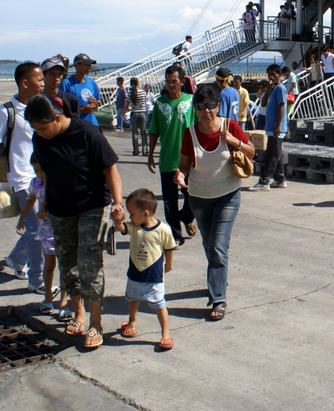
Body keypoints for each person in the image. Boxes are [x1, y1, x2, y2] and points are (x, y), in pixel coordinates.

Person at [25, 94, 123, 349]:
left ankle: (96, 322)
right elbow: (46, 175)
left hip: (91, 206)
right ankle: (78, 312)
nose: (40, 134)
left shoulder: (87, 132)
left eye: (44, 128)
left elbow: (110, 169)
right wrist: (44, 205)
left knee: (89, 264)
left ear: (57, 118)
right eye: (35, 129)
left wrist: (118, 202)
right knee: (68, 265)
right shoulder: (40, 139)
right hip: (59, 210)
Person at [175, 85, 255, 321]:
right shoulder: (189, 133)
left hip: (228, 195)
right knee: (209, 244)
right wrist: (180, 174)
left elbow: (251, 151)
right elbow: (184, 164)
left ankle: (218, 298)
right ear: (195, 109)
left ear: (217, 106)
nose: (207, 111)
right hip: (198, 197)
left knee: (218, 246)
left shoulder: (230, 126)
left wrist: (234, 141)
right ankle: (217, 278)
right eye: (201, 107)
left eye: (211, 105)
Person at [0, 62, 46, 294]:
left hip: (42, 177)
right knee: (37, 230)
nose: (43, 83)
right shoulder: (7, 110)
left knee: (39, 226)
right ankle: (37, 281)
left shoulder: (41, 106)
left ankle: (17, 260)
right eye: (39, 80)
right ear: (25, 83)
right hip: (21, 177)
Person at [111, 188, 175, 349]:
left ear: (145, 213)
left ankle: (165, 333)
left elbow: (169, 248)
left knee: (160, 305)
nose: (130, 217)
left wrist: (169, 263)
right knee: (132, 299)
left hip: (153, 277)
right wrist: (118, 221)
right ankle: (132, 322)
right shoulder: (135, 227)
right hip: (135, 274)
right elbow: (122, 228)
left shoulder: (163, 230)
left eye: (132, 213)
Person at [147, 65, 198, 247]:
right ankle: (176, 236)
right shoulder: (160, 103)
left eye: (174, 81)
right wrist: (151, 154)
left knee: (193, 197)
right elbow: (154, 131)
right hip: (168, 160)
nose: (170, 85)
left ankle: (186, 216)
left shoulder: (192, 101)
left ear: (182, 82)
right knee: (170, 202)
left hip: (189, 161)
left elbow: (200, 128)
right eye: (168, 82)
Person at [15, 156, 67, 317]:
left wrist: (45, 210)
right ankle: (48, 297)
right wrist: (22, 218)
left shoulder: (60, 184)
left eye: (41, 170)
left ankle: (64, 301)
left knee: (65, 267)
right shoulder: (36, 183)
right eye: (36, 170)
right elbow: (30, 201)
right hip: (45, 231)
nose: (39, 174)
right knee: (49, 264)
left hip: (63, 230)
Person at [249, 64, 287, 192]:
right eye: (269, 74)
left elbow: (281, 107)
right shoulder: (273, 89)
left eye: (273, 74)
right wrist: (268, 90)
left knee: (272, 155)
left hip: (277, 127)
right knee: (277, 154)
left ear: (279, 75)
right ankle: (280, 179)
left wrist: (278, 126)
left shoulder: (281, 88)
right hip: (271, 126)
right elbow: (263, 103)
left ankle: (264, 181)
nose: (271, 77)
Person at [59, 53, 101, 127]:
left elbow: (97, 106)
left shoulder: (92, 82)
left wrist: (95, 104)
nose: (89, 67)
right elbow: (61, 109)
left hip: (92, 125)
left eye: (90, 64)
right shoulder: (66, 84)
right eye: (86, 64)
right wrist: (81, 110)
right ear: (76, 65)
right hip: (75, 126)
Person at [127, 77, 148, 156]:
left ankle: (136, 150)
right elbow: (144, 101)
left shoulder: (130, 93)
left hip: (134, 113)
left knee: (134, 132)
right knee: (143, 132)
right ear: (138, 83)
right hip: (142, 112)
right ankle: (145, 150)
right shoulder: (143, 92)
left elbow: (127, 104)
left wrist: (124, 111)